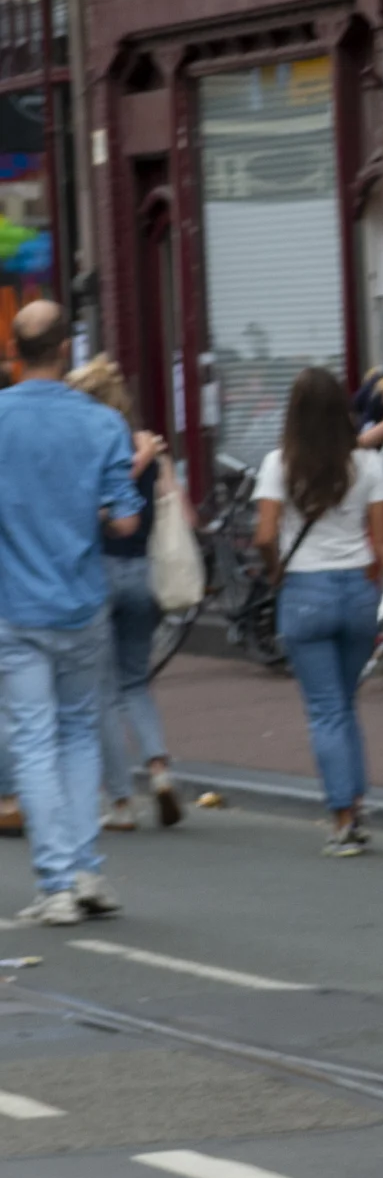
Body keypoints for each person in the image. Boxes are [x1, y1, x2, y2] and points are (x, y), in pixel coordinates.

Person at [1, 304, 142, 920]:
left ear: (14, 351)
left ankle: (56, 883)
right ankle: (86, 870)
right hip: (81, 600)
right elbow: (126, 518)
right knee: (80, 731)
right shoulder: (103, 423)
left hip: (14, 605)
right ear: (65, 351)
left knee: (32, 739)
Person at [253, 362, 383, 860]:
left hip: (305, 591)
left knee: (325, 711)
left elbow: (262, 536)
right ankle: (357, 806)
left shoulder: (279, 464)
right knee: (344, 706)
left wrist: (277, 567)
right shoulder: (368, 464)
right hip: (358, 594)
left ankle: (341, 819)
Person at [70, 360, 176, 831]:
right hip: (142, 574)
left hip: (100, 572)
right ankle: (160, 771)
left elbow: (94, 508)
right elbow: (177, 508)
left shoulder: (85, 451)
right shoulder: (147, 446)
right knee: (136, 681)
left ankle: (120, 803)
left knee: (105, 693)